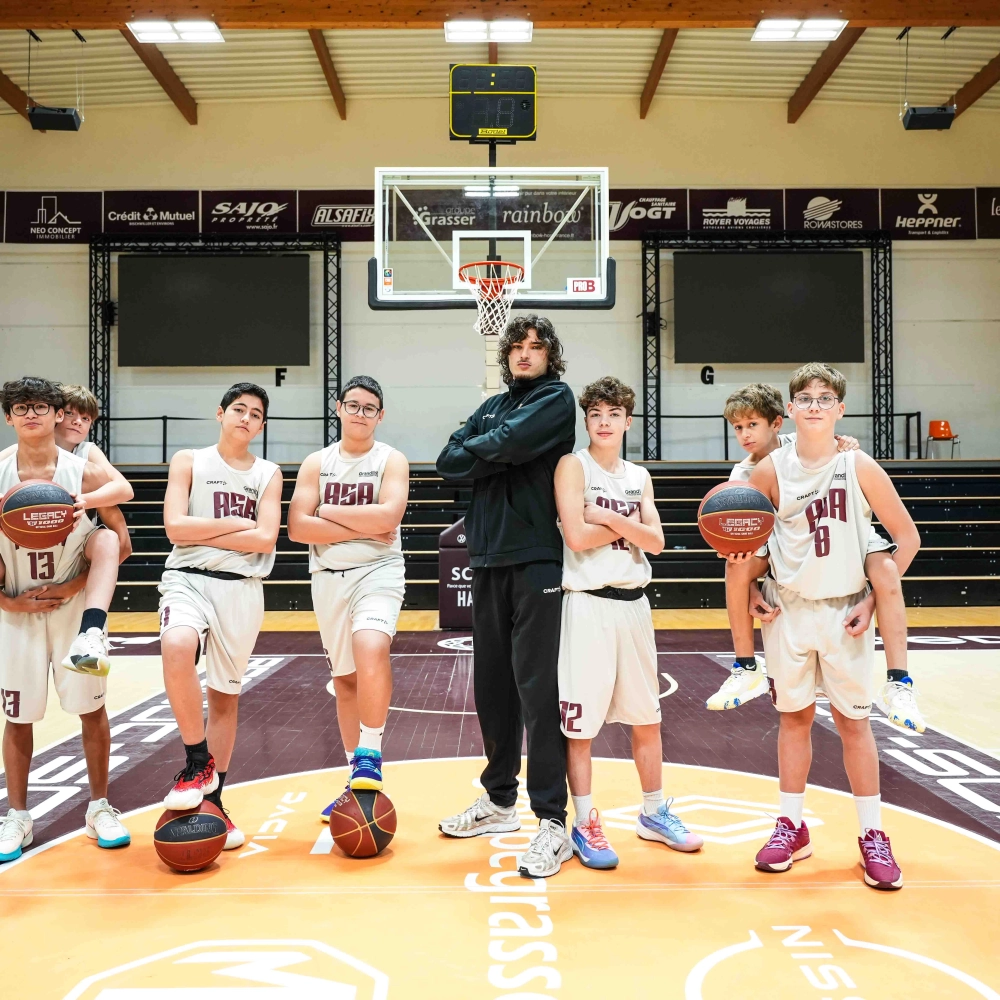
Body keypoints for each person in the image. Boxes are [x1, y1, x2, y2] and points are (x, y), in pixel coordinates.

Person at [728, 363, 920, 890]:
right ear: (790, 410)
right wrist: (747, 589)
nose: (814, 404)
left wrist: (876, 603)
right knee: (794, 721)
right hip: (789, 611)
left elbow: (907, 539)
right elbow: (738, 538)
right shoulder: (769, 469)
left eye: (825, 397)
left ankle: (872, 836)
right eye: (805, 397)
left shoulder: (857, 464)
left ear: (840, 408)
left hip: (845, 613)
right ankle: (791, 826)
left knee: (855, 725)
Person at [436, 315, 576, 879]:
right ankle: (497, 802)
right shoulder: (492, 408)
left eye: (535, 347)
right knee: (491, 688)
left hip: (537, 557)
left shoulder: (557, 398)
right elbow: (448, 462)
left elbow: (499, 446)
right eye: (516, 347)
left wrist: (488, 450)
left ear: (550, 356)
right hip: (486, 558)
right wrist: (496, 448)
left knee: (538, 690)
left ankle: (551, 820)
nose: (524, 354)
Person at [708, 383, 924, 734]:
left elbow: (834, 440)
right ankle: (746, 667)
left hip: (843, 531)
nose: (745, 434)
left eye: (752, 425)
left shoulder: (802, 443)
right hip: (790, 545)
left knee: (886, 571)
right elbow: (744, 541)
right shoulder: (743, 474)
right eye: (738, 427)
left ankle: (899, 681)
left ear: (778, 422)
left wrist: (849, 443)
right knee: (735, 565)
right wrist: (749, 587)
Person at [555, 376, 703, 870]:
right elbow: (576, 538)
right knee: (580, 725)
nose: (603, 422)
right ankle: (584, 821)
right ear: (587, 419)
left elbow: (657, 542)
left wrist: (611, 519)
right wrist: (628, 526)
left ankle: (654, 812)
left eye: (613, 414)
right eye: (595, 414)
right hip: (588, 605)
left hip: (635, 605)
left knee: (647, 717)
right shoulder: (572, 466)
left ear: (627, 420)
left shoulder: (639, 476)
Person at [0, 376, 130, 862]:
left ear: (58, 415)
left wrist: (74, 585)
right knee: (17, 718)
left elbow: (121, 527)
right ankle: (17, 816)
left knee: (91, 709)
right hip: (16, 609)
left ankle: (99, 806)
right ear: (9, 417)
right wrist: (6, 601)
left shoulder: (82, 473)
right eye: (19, 407)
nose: (30, 413)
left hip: (74, 609)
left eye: (40, 406)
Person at [158, 383, 282, 851]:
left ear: (262, 425)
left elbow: (266, 539)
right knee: (176, 644)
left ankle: (217, 803)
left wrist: (207, 531)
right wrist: (237, 525)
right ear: (220, 414)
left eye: (255, 414)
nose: (246, 418)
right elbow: (175, 527)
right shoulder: (189, 460)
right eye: (238, 409)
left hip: (241, 590)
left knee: (225, 698)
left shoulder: (269, 474)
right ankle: (196, 762)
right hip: (186, 578)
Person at [287, 375, 408, 813]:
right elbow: (298, 528)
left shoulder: (391, 460)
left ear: (380, 415)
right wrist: (365, 521)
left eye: (369, 407)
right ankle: (352, 779)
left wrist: (327, 511)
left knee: (370, 645)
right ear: (339, 408)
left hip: (378, 570)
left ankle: (370, 756)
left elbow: (390, 515)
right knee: (345, 680)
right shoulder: (316, 463)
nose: (360, 413)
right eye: (353, 405)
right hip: (328, 576)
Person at [0, 383, 133, 677]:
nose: (77, 422)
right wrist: (7, 601)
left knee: (107, 538)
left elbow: (124, 497)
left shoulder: (86, 465)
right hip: (18, 594)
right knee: (18, 717)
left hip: (72, 596)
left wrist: (80, 502)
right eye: (72, 414)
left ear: (52, 414)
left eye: (85, 418)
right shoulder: (8, 465)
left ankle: (90, 633)